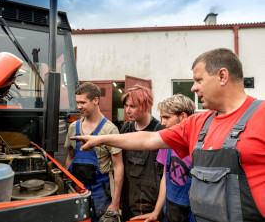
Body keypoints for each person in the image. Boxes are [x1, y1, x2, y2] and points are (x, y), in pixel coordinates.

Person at [71, 48, 265, 222]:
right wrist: (101, 139)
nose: (193, 88)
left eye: (199, 80)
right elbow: (149, 138)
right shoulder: (199, 122)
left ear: (222, 76)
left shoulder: (261, 116)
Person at [64, 82, 124, 222]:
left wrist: (115, 203)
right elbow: (70, 157)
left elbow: (118, 166)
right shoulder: (73, 127)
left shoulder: (109, 130)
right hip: (78, 189)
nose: (79, 106)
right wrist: (66, 186)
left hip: (101, 192)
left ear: (96, 100)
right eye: (77, 102)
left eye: (83, 102)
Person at [131, 94, 196, 222]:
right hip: (171, 212)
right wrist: (156, 212)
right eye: (161, 117)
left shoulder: (198, 145)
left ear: (183, 117)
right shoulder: (166, 143)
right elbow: (165, 179)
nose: (162, 123)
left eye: (166, 117)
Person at [119, 85, 164, 222]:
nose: (127, 111)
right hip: (127, 198)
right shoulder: (126, 129)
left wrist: (157, 209)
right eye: (126, 106)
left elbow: (164, 175)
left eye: (132, 106)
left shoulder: (159, 130)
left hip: (150, 202)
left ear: (145, 106)